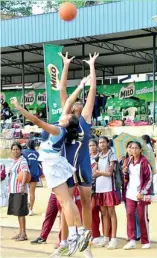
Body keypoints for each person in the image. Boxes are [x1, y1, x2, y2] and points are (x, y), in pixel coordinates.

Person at [10, 78, 91, 256]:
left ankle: (76, 233)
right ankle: (77, 233)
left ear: (67, 122)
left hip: (54, 166)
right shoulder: (61, 126)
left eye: (68, 115)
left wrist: (18, 107)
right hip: (55, 165)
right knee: (65, 202)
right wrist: (80, 86)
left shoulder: (57, 130)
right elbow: (68, 101)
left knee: (66, 201)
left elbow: (35, 120)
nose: (66, 113)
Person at [57, 52, 99, 258]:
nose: (79, 104)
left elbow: (93, 90)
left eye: (81, 103)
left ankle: (85, 246)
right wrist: (65, 65)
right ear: (71, 107)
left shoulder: (86, 119)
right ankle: (64, 243)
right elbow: (63, 89)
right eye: (76, 103)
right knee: (66, 206)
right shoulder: (66, 118)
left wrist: (92, 66)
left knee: (86, 204)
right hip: (66, 167)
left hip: (82, 165)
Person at [123, 142, 152, 250]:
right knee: (129, 215)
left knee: (142, 217)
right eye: (131, 148)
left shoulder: (144, 162)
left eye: (136, 148)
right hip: (129, 193)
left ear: (140, 150)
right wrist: (125, 172)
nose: (133, 150)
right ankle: (131, 240)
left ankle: (146, 240)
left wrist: (142, 192)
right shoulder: (129, 160)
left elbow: (149, 179)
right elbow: (127, 177)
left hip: (141, 195)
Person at [94, 136, 120, 249]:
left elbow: (109, 173)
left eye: (103, 142)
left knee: (111, 212)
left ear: (107, 143)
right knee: (104, 213)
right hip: (99, 187)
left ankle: (113, 239)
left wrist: (99, 172)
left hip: (109, 187)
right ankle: (105, 238)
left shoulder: (111, 155)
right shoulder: (98, 156)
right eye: (100, 143)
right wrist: (99, 172)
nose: (101, 144)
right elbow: (94, 172)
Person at [7, 142, 30, 241]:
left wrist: (22, 185)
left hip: (19, 190)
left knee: (21, 212)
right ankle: (20, 232)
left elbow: (25, 172)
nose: (15, 151)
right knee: (17, 212)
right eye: (13, 149)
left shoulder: (22, 160)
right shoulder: (14, 161)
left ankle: (23, 234)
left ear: (21, 151)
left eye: (17, 149)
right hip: (13, 190)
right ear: (11, 151)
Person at [121, 141, 141, 241]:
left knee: (138, 213)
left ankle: (139, 232)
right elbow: (122, 175)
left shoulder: (141, 161)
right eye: (129, 147)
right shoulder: (126, 160)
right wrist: (123, 170)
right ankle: (132, 234)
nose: (131, 149)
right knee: (129, 212)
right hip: (126, 189)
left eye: (133, 147)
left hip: (137, 191)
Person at [89, 139, 103, 247]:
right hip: (88, 187)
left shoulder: (100, 157)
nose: (92, 147)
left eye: (93, 145)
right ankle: (94, 234)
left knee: (102, 211)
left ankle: (106, 235)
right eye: (90, 145)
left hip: (100, 186)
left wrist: (95, 173)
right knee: (92, 211)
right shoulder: (86, 157)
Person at [23, 139, 41, 216]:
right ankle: (30, 210)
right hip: (34, 173)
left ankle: (24, 208)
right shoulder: (37, 153)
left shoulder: (23, 152)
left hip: (26, 173)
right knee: (32, 193)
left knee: (23, 192)